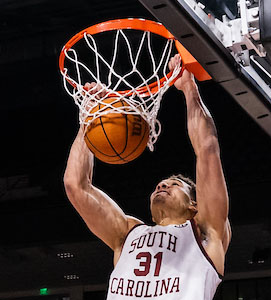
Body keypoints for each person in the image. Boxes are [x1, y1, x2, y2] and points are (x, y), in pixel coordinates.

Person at [64, 54, 231, 300]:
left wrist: (189, 88)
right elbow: (75, 185)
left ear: (194, 205)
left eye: (175, 185)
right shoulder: (128, 233)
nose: (163, 184)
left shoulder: (205, 231)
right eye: (161, 184)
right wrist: (92, 116)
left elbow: (207, 149)